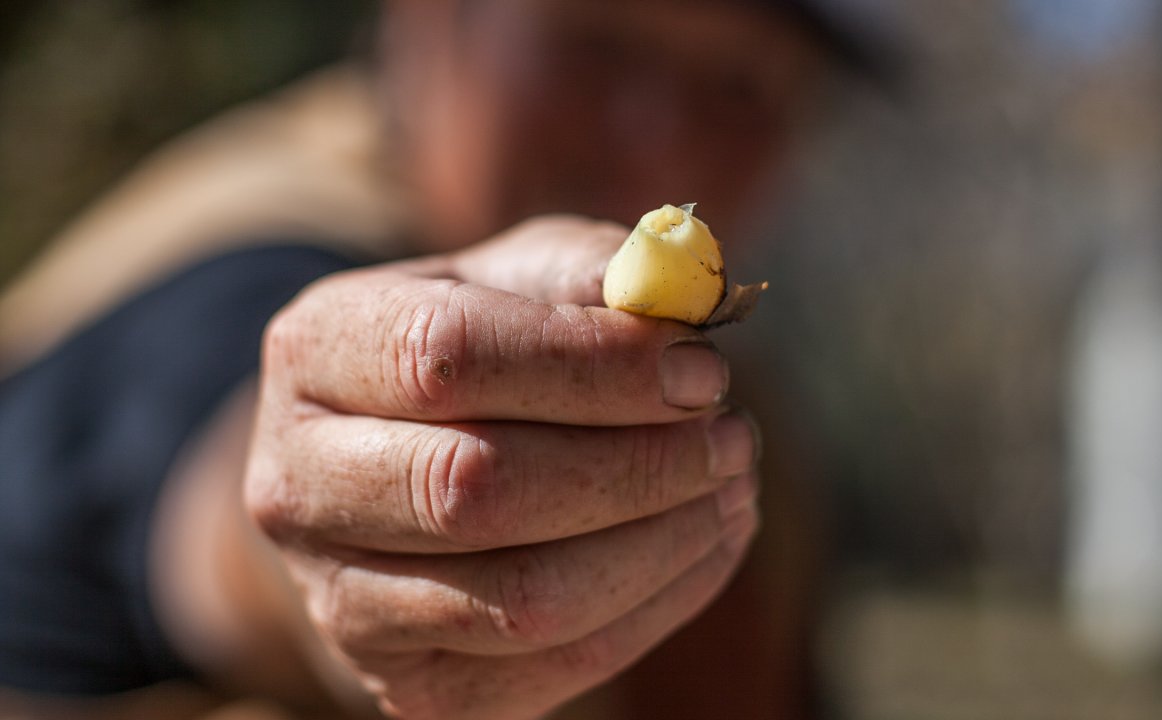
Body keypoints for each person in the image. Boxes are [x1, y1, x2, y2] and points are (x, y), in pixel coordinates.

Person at [0, 0, 888, 717]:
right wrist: (330, 537)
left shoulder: (742, 401)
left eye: (739, 88)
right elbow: (223, 470)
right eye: (599, 45)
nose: (661, 137)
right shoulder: (243, 244)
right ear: (427, 22)